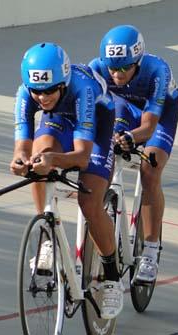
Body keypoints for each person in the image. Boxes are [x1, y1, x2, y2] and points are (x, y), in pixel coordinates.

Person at [11, 42, 123, 319]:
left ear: (62, 82)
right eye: (37, 90)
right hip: (60, 120)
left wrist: (54, 161)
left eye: (50, 90)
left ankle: (112, 276)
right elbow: (22, 143)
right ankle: (47, 237)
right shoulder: (26, 94)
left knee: (89, 201)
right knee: (38, 157)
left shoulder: (82, 88)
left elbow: (82, 157)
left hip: (96, 126)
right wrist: (21, 161)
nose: (43, 96)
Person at [89, 25, 178, 283]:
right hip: (123, 109)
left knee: (150, 171)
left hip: (158, 115)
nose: (116, 74)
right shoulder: (96, 68)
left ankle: (150, 251)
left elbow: (149, 127)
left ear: (138, 62)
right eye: (112, 68)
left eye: (124, 68)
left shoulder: (156, 71)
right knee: (103, 158)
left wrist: (131, 137)